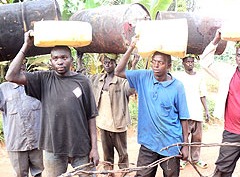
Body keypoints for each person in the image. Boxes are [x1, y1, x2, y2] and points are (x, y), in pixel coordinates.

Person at [5, 30, 99, 177]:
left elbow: (91, 116)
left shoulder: (83, 81)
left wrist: (95, 148)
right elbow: (11, 76)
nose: (60, 61)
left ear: (71, 59)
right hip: (53, 147)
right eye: (55, 58)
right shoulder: (43, 79)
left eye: (64, 57)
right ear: (51, 61)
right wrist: (26, 45)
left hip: (81, 146)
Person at [114, 37, 190, 177]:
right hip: (149, 143)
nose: (155, 65)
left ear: (168, 66)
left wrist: (185, 145)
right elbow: (118, 72)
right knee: (142, 175)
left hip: (171, 144)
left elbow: (184, 118)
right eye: (154, 62)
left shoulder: (178, 87)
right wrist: (131, 47)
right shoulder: (143, 76)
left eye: (160, 63)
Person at [200, 30, 240, 177]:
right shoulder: (227, 73)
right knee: (222, 169)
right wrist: (216, 40)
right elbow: (205, 62)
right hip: (231, 131)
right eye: (239, 55)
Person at [89, 53, 138, 177]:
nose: (107, 64)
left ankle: (124, 172)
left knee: (122, 153)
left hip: (118, 124)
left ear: (116, 64)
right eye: (105, 61)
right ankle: (109, 173)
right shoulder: (98, 80)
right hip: (103, 123)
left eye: (110, 62)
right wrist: (79, 60)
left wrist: (133, 65)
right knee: (107, 153)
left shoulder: (121, 81)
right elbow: (83, 77)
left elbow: (131, 89)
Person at [0, 63, 44, 177]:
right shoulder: (3, 88)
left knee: (38, 172)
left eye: (23, 69)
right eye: (17, 69)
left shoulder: (36, 86)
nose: (21, 72)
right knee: (20, 174)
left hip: (37, 141)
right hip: (16, 142)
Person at [174, 55, 209, 170]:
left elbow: (202, 94)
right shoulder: (179, 77)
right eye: (187, 62)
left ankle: (196, 159)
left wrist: (206, 110)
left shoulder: (199, 77)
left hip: (197, 112)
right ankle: (183, 159)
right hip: (184, 113)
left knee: (197, 138)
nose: (190, 64)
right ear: (183, 63)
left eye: (192, 62)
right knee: (184, 136)